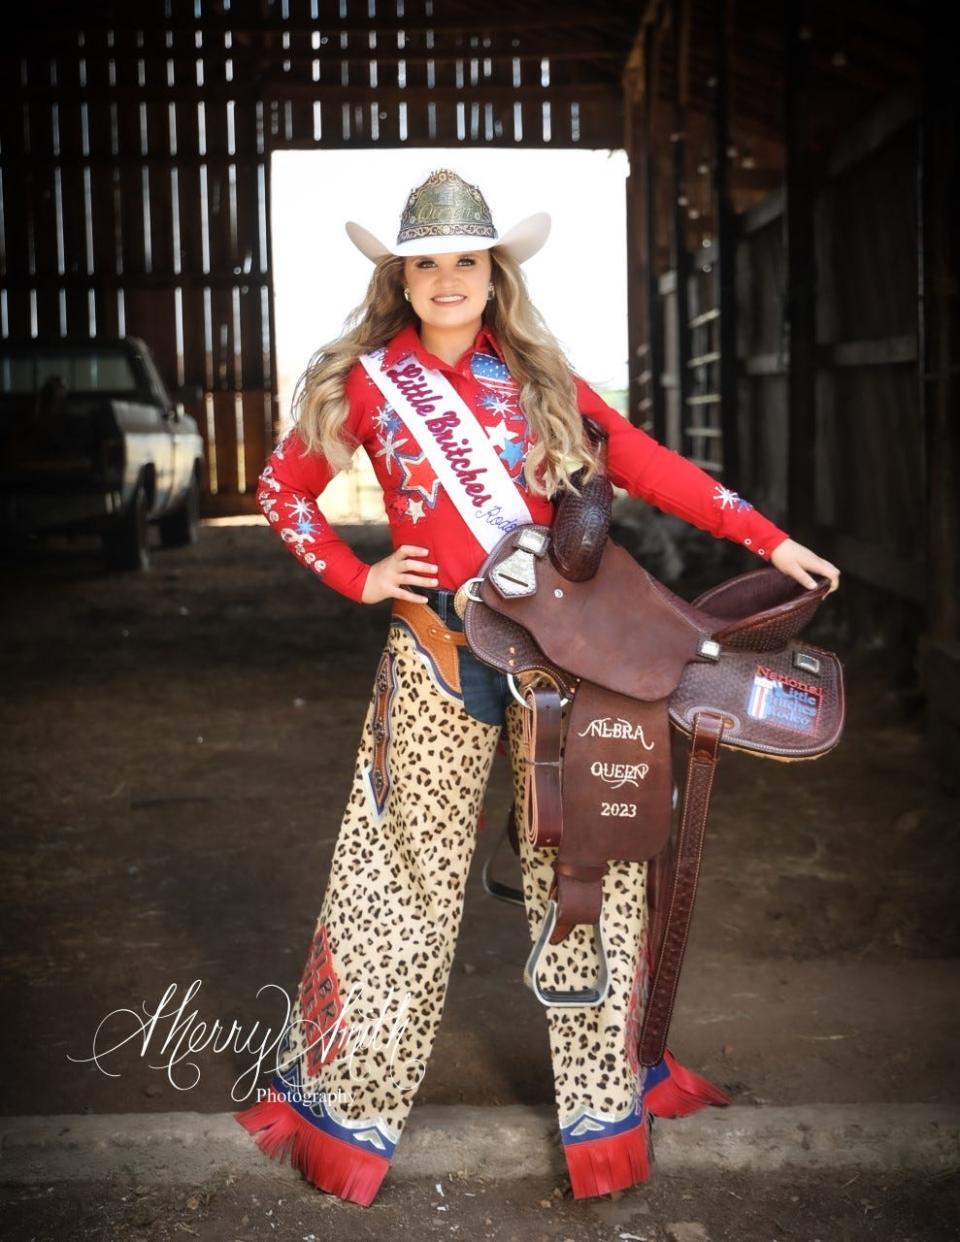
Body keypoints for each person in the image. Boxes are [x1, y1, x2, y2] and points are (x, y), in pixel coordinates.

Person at [235, 168, 840, 1208]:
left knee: (588, 877)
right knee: (395, 890)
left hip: (565, 669)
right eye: (426, 264)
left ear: (493, 270)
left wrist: (768, 537)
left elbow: (647, 463)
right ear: (403, 277)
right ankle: (346, 1114)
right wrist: (357, 573)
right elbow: (278, 490)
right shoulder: (369, 385)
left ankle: (606, 1115)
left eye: (465, 260)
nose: (447, 280)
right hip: (433, 655)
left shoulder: (540, 376)